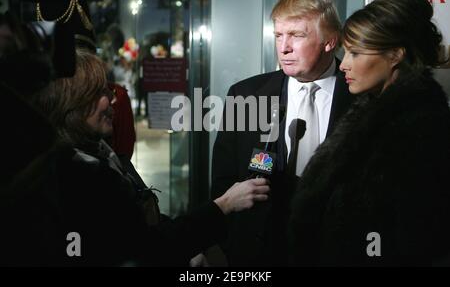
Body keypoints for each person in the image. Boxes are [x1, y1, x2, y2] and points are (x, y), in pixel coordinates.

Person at [2, 49, 270, 266]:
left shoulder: (107, 157)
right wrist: (223, 206)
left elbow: (145, 224)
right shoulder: (73, 178)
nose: (113, 100)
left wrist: (189, 246)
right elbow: (145, 248)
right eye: (102, 93)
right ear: (74, 102)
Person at [289, 0, 450, 266]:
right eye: (345, 52)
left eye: (356, 53)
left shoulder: (422, 131)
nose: (345, 65)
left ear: (395, 55)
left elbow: (415, 240)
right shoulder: (368, 115)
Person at [211, 0, 354, 266]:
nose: (284, 47)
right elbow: (223, 180)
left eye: (297, 36)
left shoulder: (365, 97)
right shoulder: (247, 95)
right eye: (278, 35)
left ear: (330, 41)